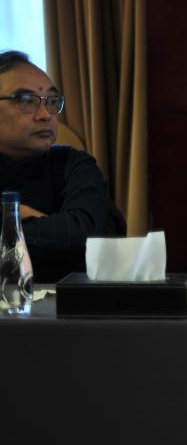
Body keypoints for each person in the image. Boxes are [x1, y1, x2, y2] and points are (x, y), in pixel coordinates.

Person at [0, 51, 125, 282]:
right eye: (27, 101)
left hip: (68, 302)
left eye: (51, 101)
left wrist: (9, 222)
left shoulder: (75, 165)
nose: (45, 115)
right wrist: (45, 225)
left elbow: (86, 235)